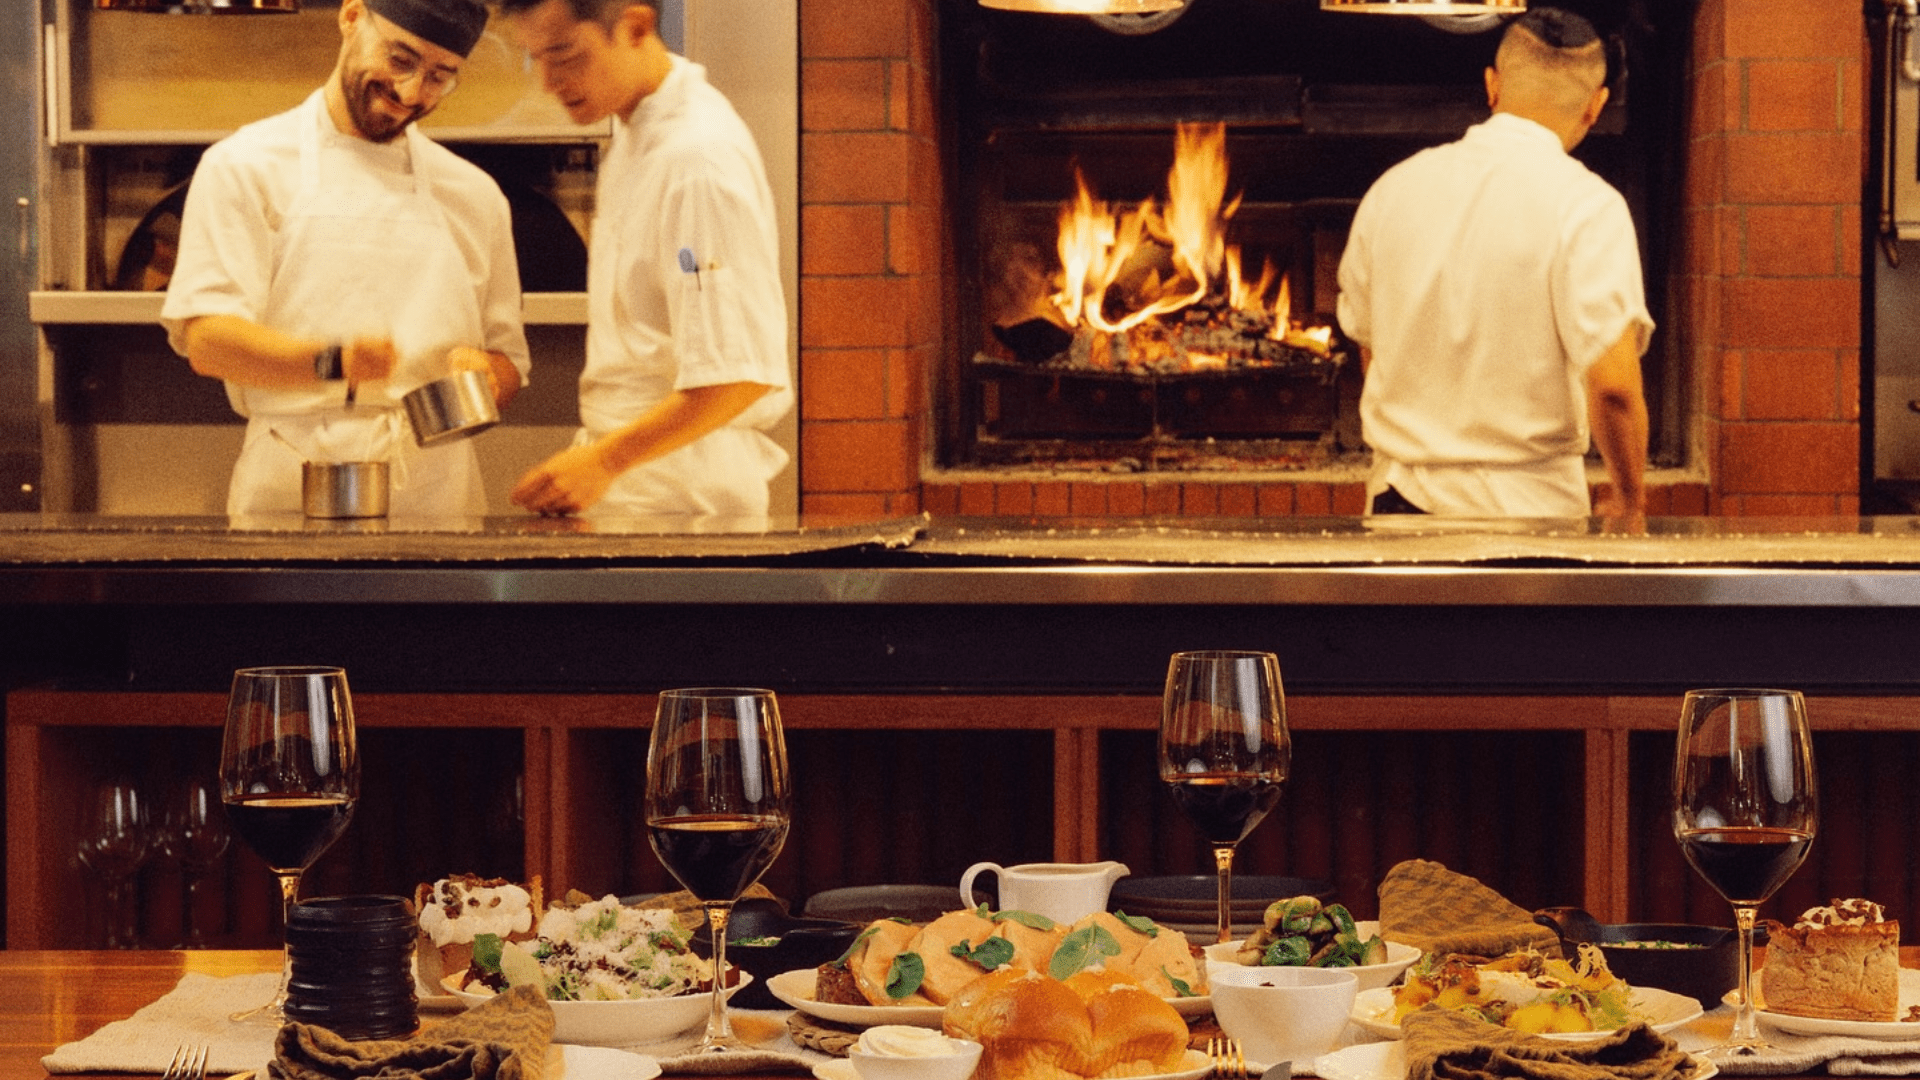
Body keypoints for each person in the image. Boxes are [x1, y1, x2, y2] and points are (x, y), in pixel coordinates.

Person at [162, 0, 530, 519]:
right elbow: (208, 342)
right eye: (400, 60)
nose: (410, 94)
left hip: (436, 485)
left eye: (439, 79)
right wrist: (334, 361)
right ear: (352, 17)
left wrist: (489, 375)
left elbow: (508, 360)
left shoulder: (475, 195)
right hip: (292, 477)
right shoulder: (244, 166)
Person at [1335, 7, 1652, 519]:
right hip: (1532, 515)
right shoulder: (1589, 207)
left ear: (1492, 85)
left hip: (1400, 507)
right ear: (1595, 106)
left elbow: (1371, 346)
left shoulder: (1392, 190)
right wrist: (1630, 499)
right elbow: (1614, 387)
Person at [498, 0, 792, 519]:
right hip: (644, 482)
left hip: (686, 497)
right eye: (535, 59)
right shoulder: (636, 138)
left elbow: (739, 375)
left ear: (634, 27)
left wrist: (605, 462)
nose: (549, 82)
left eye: (565, 55)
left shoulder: (695, 159)